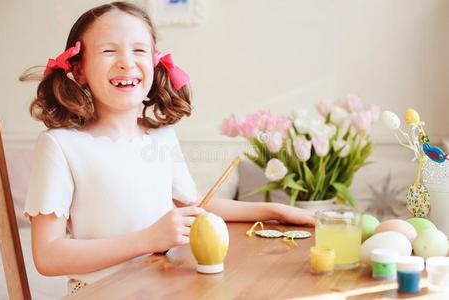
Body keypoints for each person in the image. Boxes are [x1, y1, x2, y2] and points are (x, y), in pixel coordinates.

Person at [20, 2, 314, 294]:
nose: (127, 62)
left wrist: (277, 211)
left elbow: (198, 205)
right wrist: (150, 238)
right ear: (79, 69)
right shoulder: (60, 145)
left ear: (154, 61)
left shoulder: (163, 137)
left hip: (165, 288)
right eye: (109, 51)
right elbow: (48, 256)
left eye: (139, 50)